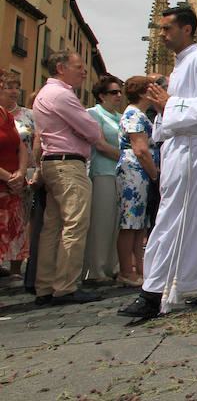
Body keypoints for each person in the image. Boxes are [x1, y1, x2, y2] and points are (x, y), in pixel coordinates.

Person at [118, 6, 197, 319]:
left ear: (186, 29)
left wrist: (168, 104)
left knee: (174, 216)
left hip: (190, 148)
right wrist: (165, 107)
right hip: (180, 146)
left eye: (167, 28)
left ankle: (152, 293)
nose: (161, 34)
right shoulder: (179, 68)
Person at [32, 51, 118, 305]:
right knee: (74, 225)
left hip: (53, 163)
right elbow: (92, 129)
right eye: (78, 67)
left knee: (53, 228)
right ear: (60, 68)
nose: (83, 72)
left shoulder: (45, 93)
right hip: (68, 165)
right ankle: (66, 286)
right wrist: (86, 132)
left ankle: (45, 286)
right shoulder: (61, 94)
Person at [115, 76, 160, 287]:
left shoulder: (138, 114)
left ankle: (138, 268)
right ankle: (126, 270)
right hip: (134, 171)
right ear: (143, 94)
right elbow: (140, 149)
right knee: (130, 223)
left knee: (139, 224)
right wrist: (154, 173)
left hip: (138, 171)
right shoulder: (134, 114)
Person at [83, 74, 124, 284]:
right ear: (101, 95)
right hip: (102, 171)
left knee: (116, 221)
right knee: (101, 221)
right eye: (113, 92)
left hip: (119, 174)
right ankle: (96, 269)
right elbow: (99, 144)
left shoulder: (120, 116)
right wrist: (126, 157)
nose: (118, 95)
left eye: (119, 91)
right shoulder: (94, 113)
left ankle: (112, 265)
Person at [0, 70, 29, 281]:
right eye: (6, 87)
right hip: (5, 182)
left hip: (11, 185)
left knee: (12, 233)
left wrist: (20, 172)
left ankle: (14, 272)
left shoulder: (6, 115)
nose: (12, 91)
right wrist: (9, 178)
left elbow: (21, 146)